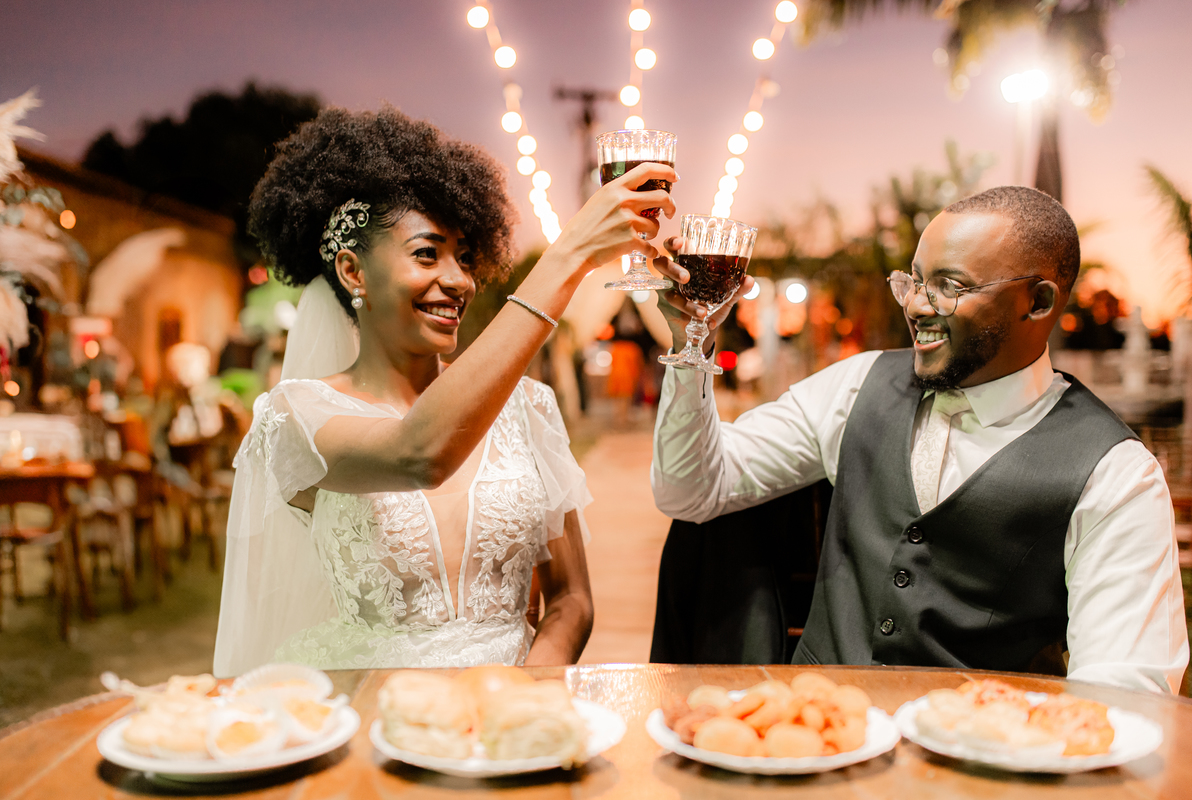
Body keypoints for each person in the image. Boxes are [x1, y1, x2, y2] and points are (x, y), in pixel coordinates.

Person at [650, 186, 1188, 693]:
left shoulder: (1115, 473)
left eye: (949, 287)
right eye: (912, 281)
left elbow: (1122, 695)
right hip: (815, 746)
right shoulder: (856, 385)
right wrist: (691, 344)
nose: (916, 305)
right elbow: (693, 490)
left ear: (1039, 302)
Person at [213, 106, 676, 676]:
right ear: (353, 271)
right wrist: (569, 256)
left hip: (514, 720)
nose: (459, 281)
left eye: (465, 257)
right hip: (376, 714)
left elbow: (571, 599)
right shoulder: (295, 416)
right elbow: (419, 454)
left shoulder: (528, 409)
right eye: (427, 253)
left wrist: (525, 691)